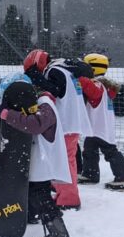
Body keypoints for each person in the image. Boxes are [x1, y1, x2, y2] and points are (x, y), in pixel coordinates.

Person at [0, 80, 73, 237]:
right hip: (40, 160)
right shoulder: (39, 103)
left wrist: (9, 115)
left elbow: (35, 124)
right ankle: (30, 214)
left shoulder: (45, 104)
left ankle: (59, 234)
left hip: (45, 160)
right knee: (32, 190)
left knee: (40, 195)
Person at [23, 49, 92, 210]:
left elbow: (56, 91)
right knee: (67, 159)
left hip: (66, 122)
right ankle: (64, 192)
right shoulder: (65, 70)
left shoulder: (54, 71)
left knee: (65, 161)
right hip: (72, 121)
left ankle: (69, 198)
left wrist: (36, 77)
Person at [79, 53, 124, 191]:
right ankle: (90, 174)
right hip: (97, 126)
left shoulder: (96, 85)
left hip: (99, 127)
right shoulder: (106, 86)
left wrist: (77, 75)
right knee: (89, 150)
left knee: (110, 152)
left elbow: (89, 89)